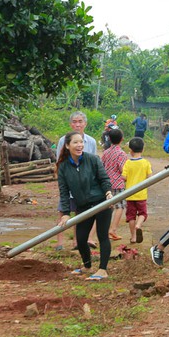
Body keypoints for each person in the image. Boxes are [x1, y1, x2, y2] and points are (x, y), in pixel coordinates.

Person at [56, 131, 114, 281]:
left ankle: (102, 269)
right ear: (67, 146)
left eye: (81, 142)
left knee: (102, 236)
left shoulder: (93, 159)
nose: (80, 145)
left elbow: (104, 179)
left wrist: (108, 192)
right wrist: (66, 213)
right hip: (83, 205)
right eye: (75, 142)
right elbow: (63, 192)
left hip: (101, 202)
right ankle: (87, 266)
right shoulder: (63, 167)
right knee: (81, 239)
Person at [55, 111, 98, 249]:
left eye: (80, 121)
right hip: (68, 181)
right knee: (63, 211)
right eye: (74, 121)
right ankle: (60, 243)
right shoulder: (63, 140)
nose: (77, 124)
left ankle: (76, 242)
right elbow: (59, 162)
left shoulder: (91, 142)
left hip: (85, 183)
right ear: (70, 124)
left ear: (85, 124)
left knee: (80, 213)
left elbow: (93, 163)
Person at [122, 137, 153, 243]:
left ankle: (133, 237)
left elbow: (124, 178)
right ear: (142, 149)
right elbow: (150, 177)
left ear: (130, 150)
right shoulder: (146, 163)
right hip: (141, 194)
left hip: (130, 194)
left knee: (131, 216)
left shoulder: (128, 163)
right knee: (142, 213)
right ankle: (139, 225)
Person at [101, 128, 128, 241]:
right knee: (120, 206)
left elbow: (101, 166)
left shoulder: (105, 152)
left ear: (109, 139)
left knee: (107, 207)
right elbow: (122, 169)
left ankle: (104, 229)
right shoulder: (121, 154)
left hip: (106, 183)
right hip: (118, 182)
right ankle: (113, 230)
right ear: (121, 139)